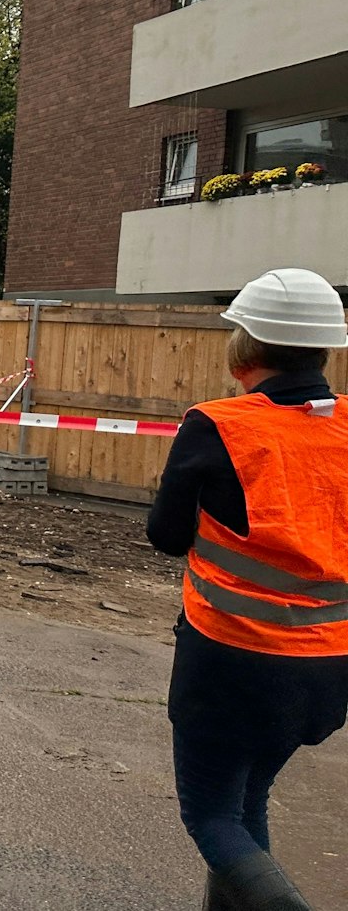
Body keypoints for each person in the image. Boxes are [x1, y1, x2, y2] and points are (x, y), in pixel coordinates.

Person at [145, 268, 348, 911]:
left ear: (245, 347)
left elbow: (166, 535)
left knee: (212, 815)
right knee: (248, 798)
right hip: (328, 667)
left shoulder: (219, 425)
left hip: (232, 658)